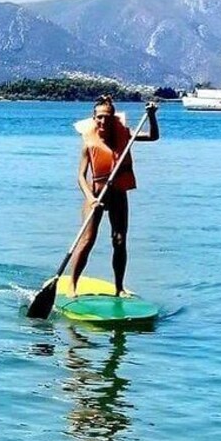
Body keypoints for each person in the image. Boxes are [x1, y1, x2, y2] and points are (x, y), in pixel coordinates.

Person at [68, 96, 159, 297]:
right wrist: (90, 198)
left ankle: (119, 287)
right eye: (100, 117)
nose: (103, 121)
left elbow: (153, 136)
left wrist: (151, 116)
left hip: (118, 194)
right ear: (94, 118)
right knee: (87, 240)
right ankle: (72, 285)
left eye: (107, 117)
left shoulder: (124, 135)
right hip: (96, 196)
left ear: (113, 118)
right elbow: (81, 177)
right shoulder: (88, 142)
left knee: (119, 240)